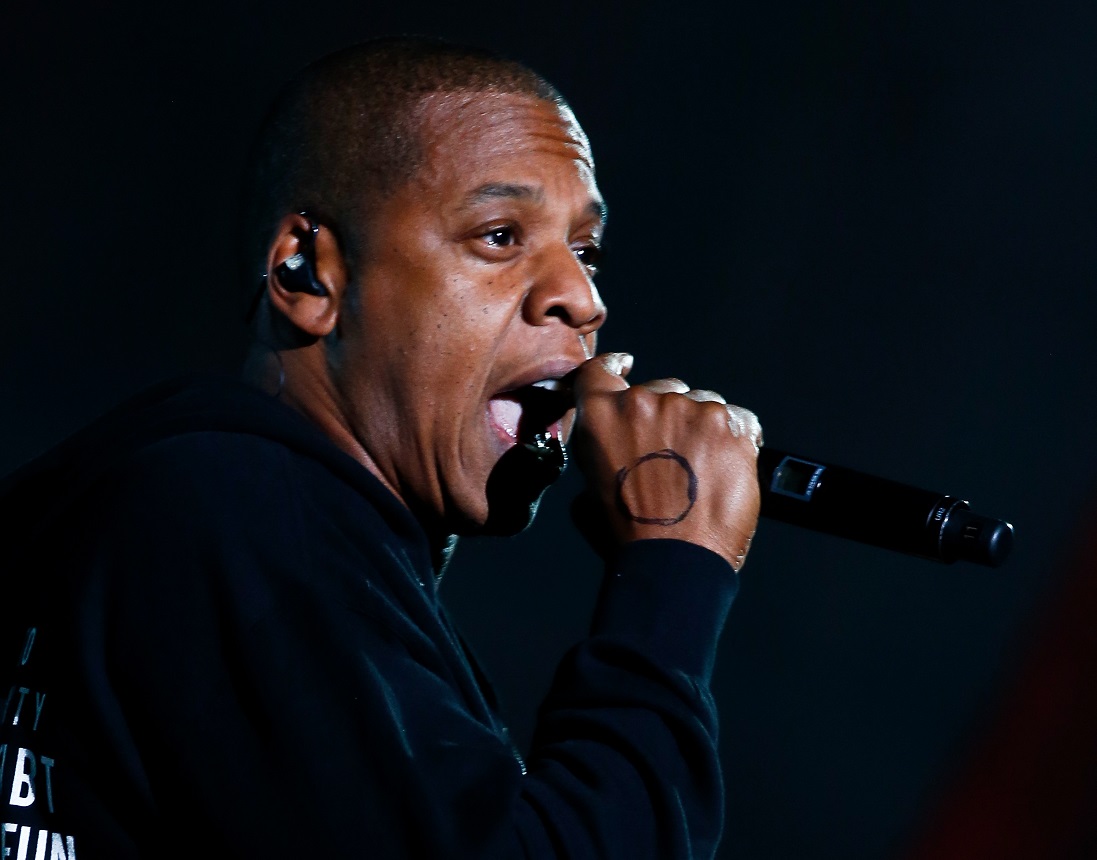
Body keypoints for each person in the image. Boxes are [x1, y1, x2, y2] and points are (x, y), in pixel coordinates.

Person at [0, 37, 762, 859]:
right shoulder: (231, 505)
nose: (581, 299)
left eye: (586, 252)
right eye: (501, 235)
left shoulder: (206, 508)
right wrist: (670, 579)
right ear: (305, 273)